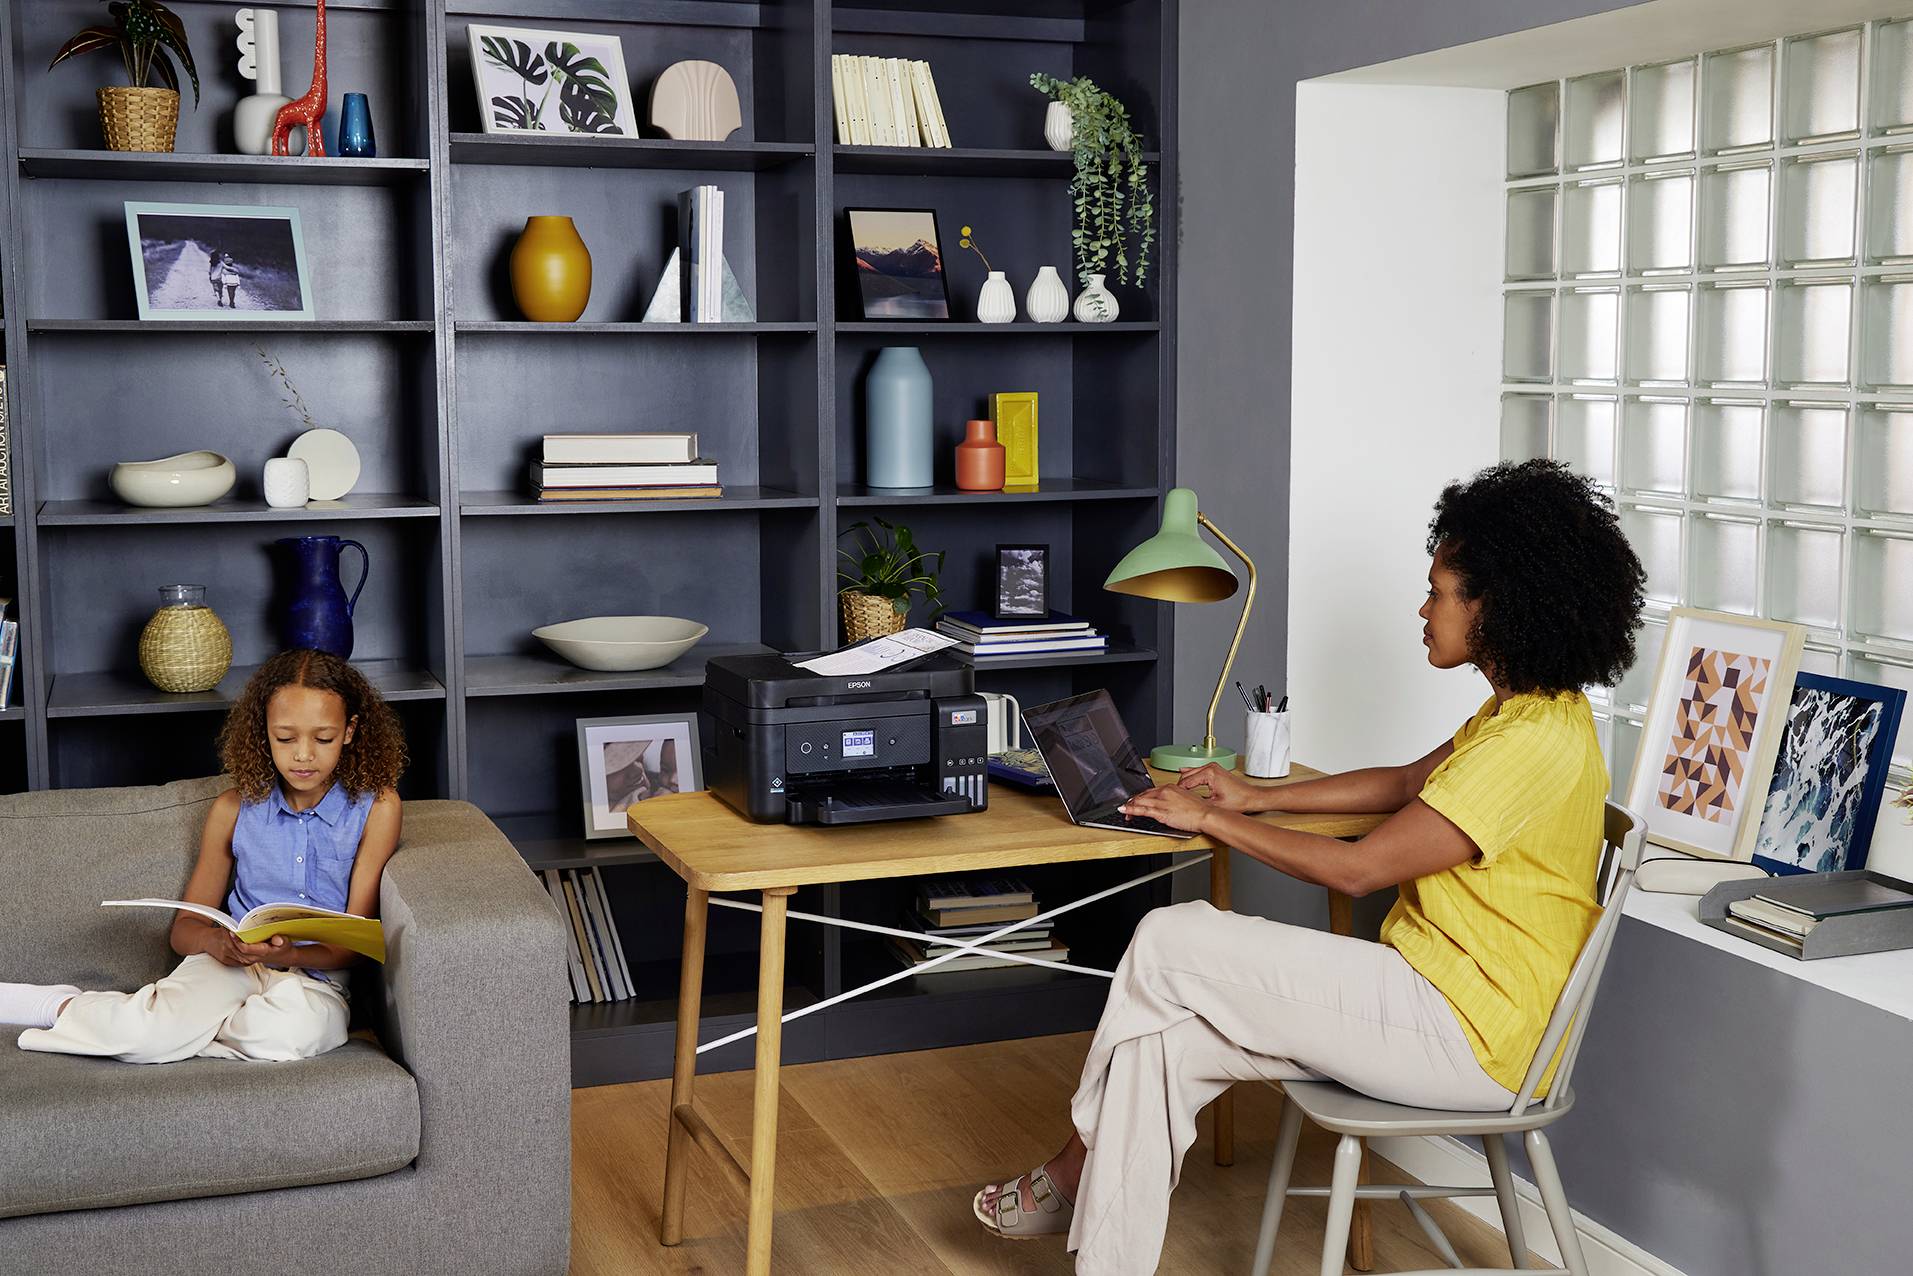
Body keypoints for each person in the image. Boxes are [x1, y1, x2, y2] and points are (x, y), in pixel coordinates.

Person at [972, 458, 1646, 1273]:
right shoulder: (1531, 712)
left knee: (1165, 937)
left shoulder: (1531, 744)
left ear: (1495, 606)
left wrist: (1211, 820)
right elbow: (1404, 784)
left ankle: (1071, 1170)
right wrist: (1252, 799)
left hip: (1470, 1036)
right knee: (1165, 1042)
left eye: (1438, 591)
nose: (1422, 608)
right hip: (1435, 997)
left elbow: (1359, 872)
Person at [0, 650, 407, 1063]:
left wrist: (288, 955)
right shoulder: (233, 809)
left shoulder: (377, 807)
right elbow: (184, 931)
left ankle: (166, 1028)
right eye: (285, 738)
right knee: (157, 1037)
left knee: (282, 1037)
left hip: (317, 978)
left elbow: (354, 944)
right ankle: (59, 1005)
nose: (303, 755)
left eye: (323, 738)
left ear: (350, 731)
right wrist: (219, 942)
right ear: (263, 732)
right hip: (231, 965)